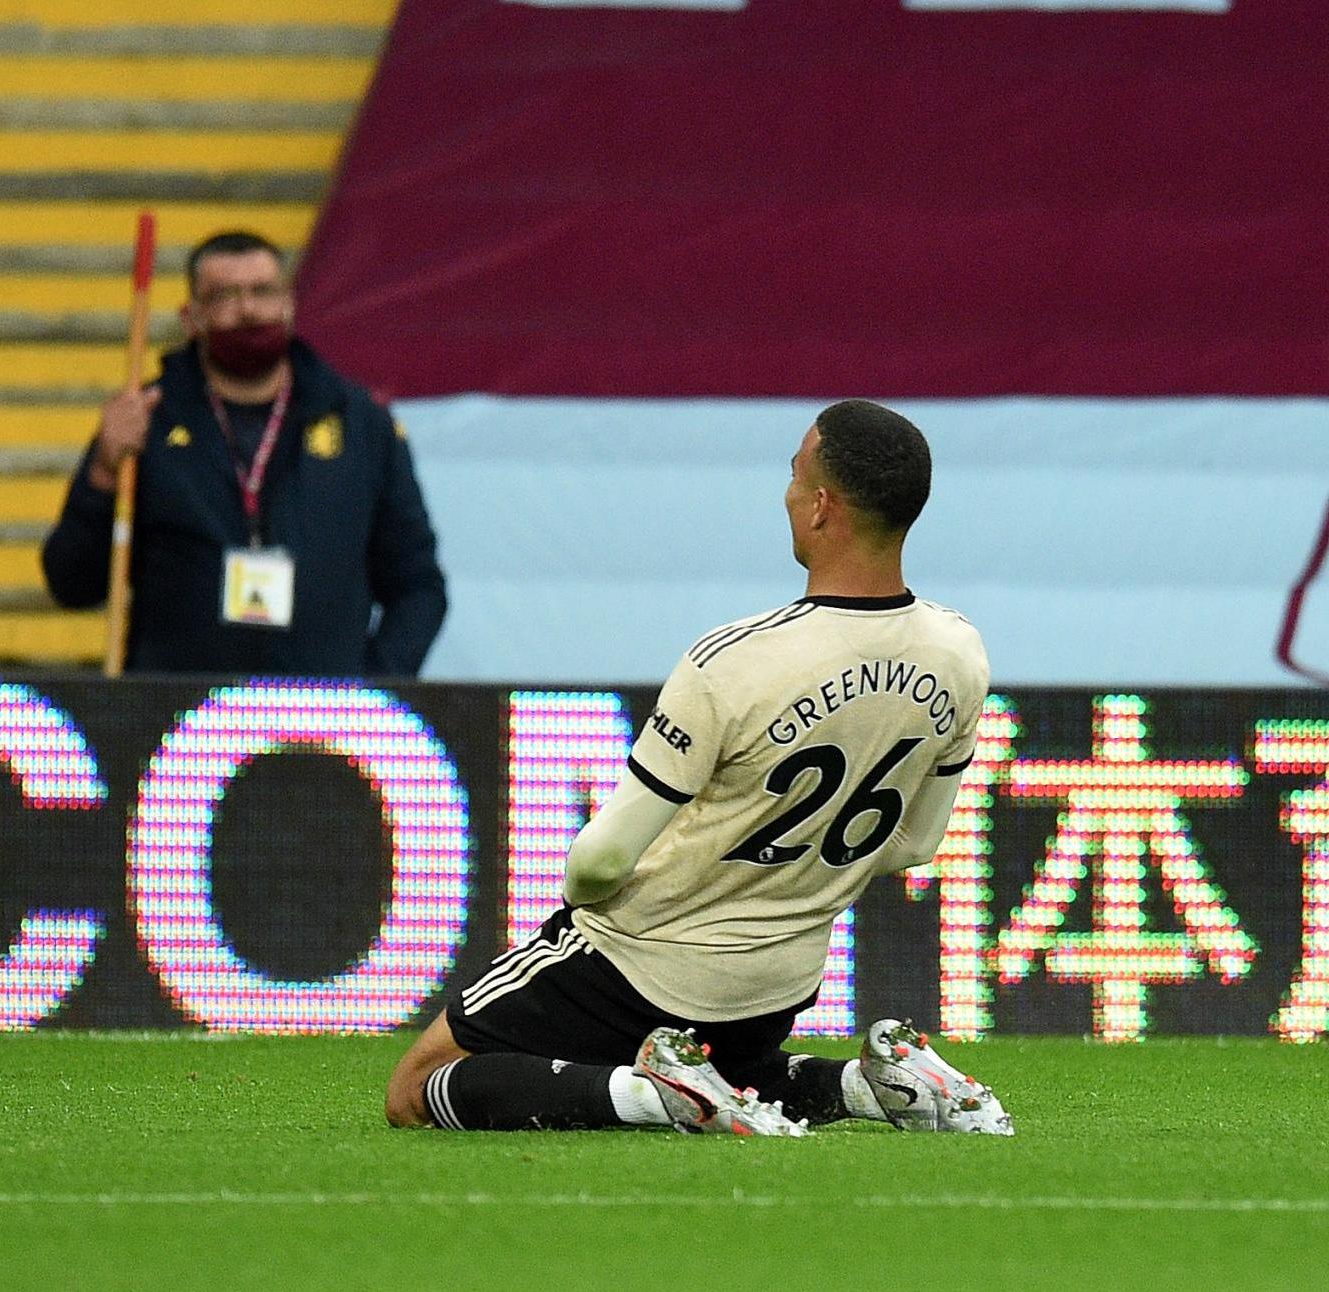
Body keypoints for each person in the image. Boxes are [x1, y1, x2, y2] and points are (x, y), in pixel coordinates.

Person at [385, 399, 1013, 1137]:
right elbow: (913, 845)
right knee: (732, 1071)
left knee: (418, 1086)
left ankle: (650, 1097)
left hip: (642, 960)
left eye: (793, 476)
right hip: (781, 983)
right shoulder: (959, 652)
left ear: (819, 507)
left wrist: (595, 902)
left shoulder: (733, 661)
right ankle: (868, 1083)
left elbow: (601, 859)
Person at [42, 230, 447, 676]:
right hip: (180, 720)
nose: (248, 310)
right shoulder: (146, 421)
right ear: (191, 317)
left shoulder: (362, 425)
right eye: (224, 297)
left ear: (290, 304)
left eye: (263, 292)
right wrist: (102, 471)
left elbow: (418, 586)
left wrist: (373, 687)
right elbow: (71, 583)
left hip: (322, 721)